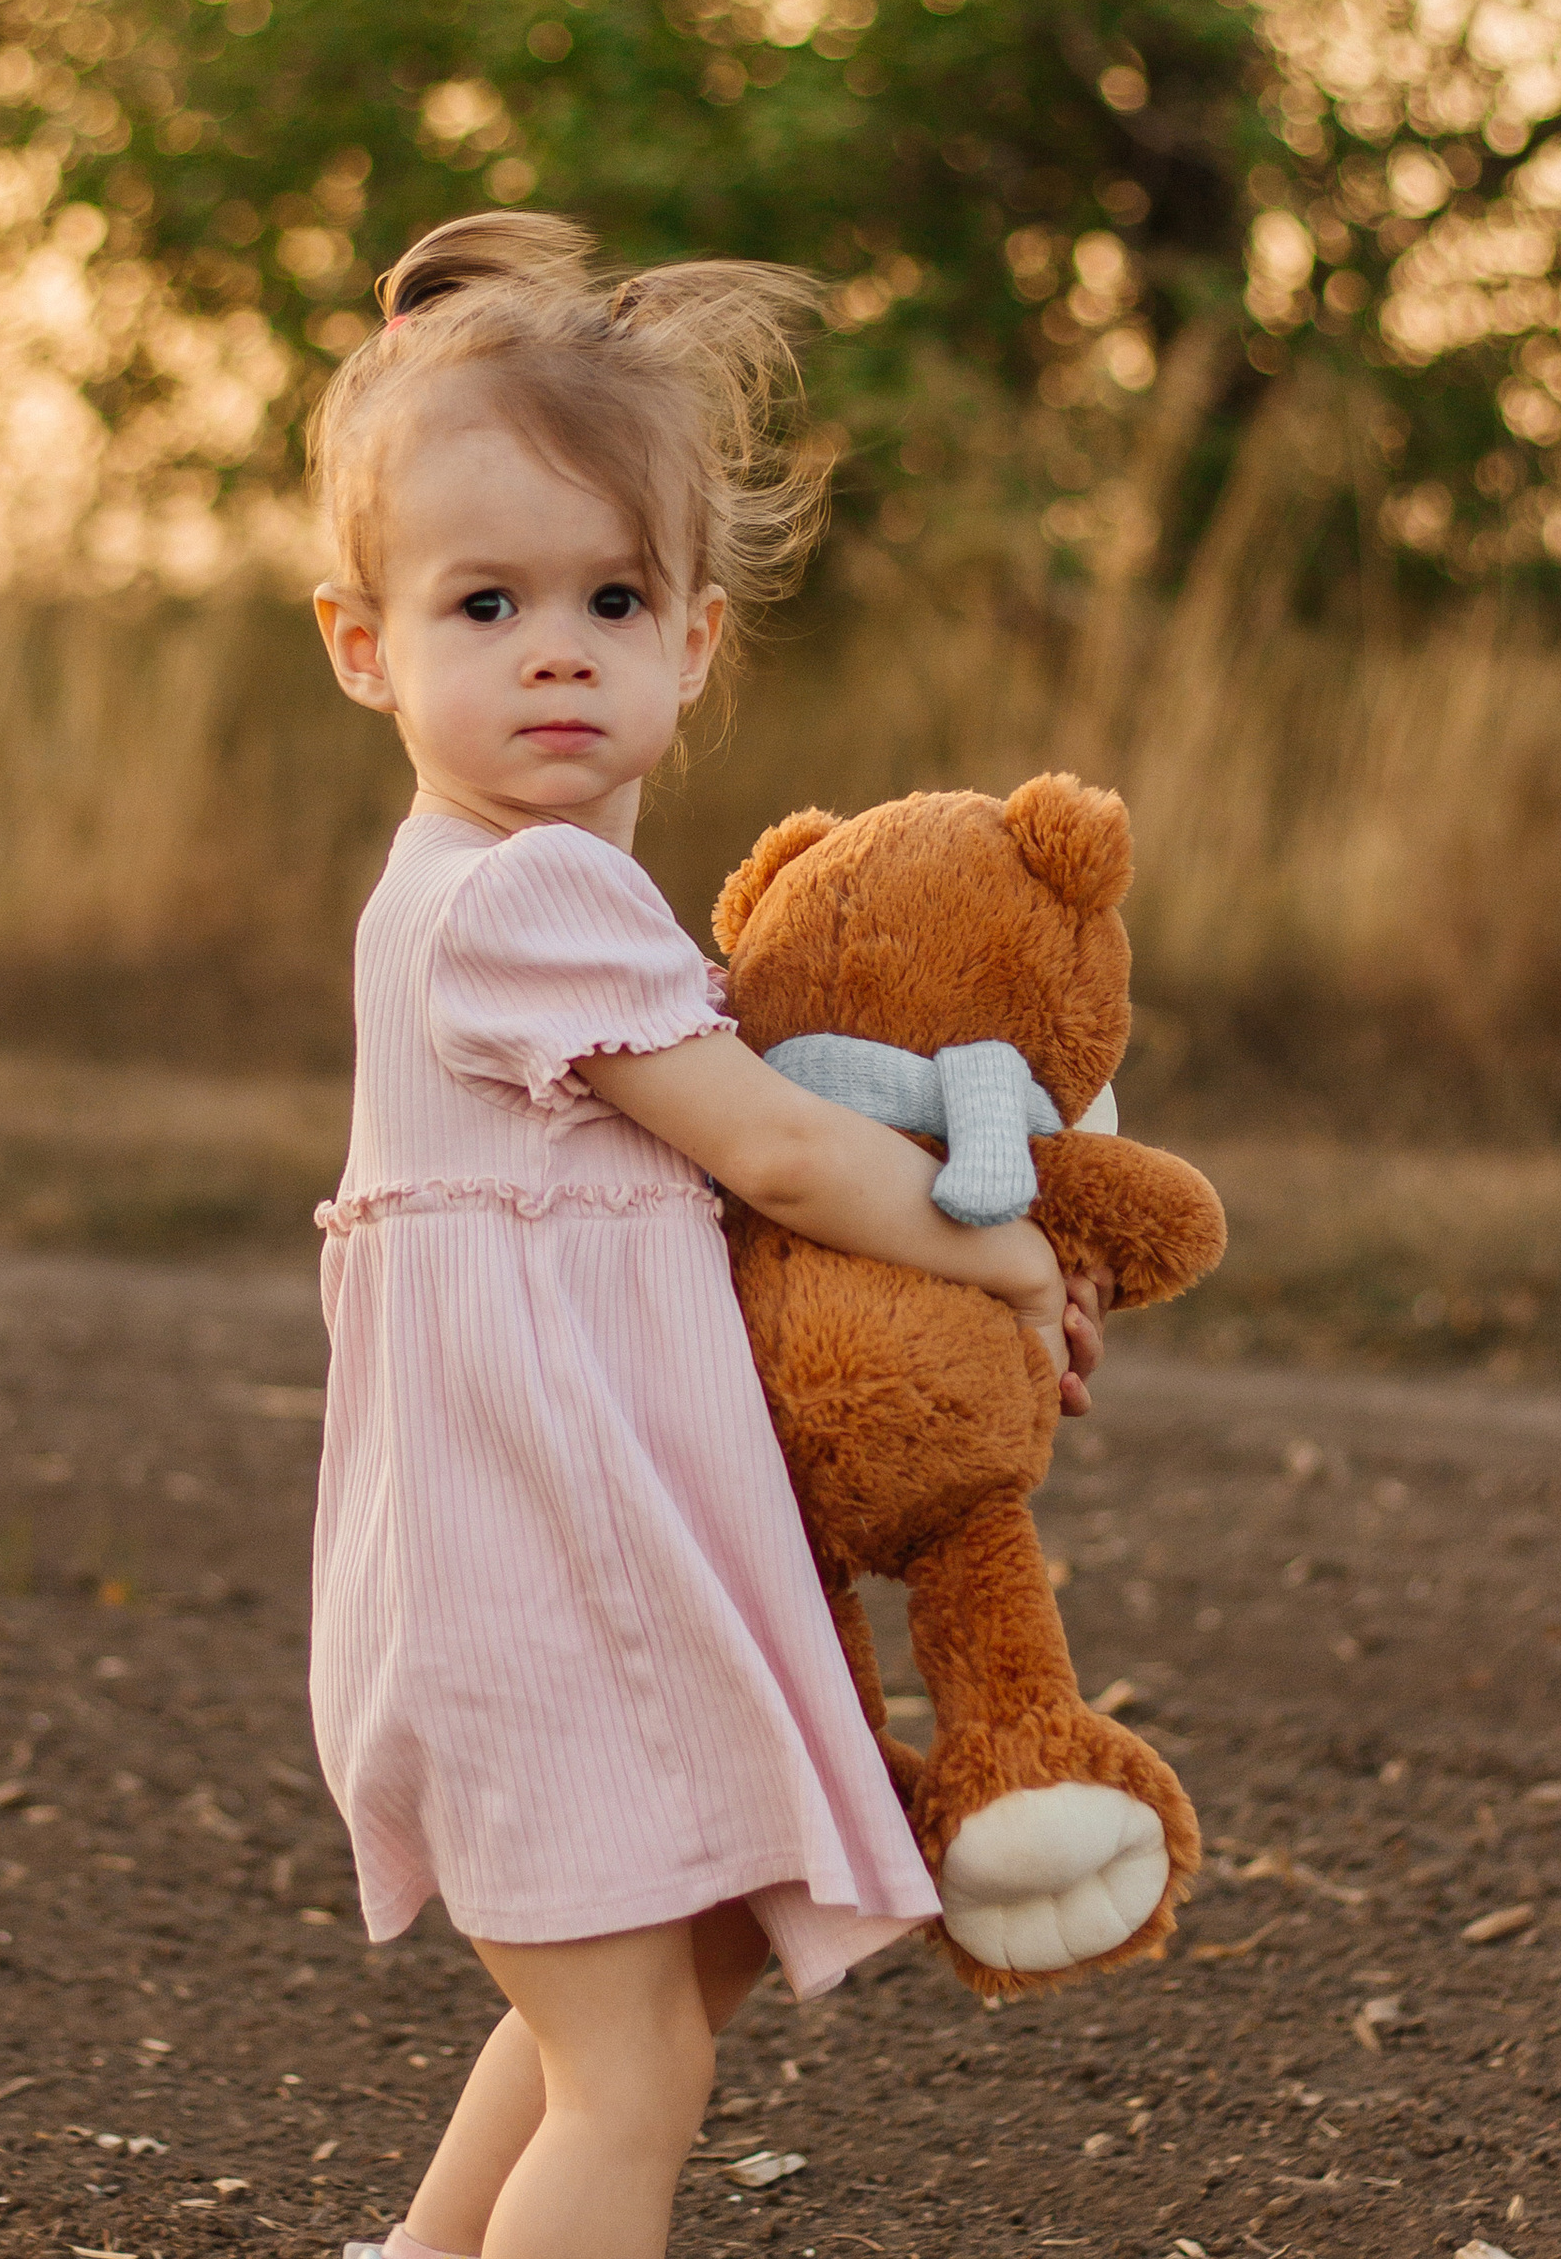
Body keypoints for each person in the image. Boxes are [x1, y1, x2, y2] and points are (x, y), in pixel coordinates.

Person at [306, 212, 1109, 2259]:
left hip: (570, 1552)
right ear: (364, 644)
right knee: (632, 2069)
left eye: (610, 595)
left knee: (667, 1981)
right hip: (543, 1573)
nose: (554, 645)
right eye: (483, 601)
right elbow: (767, 1146)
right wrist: (996, 1245)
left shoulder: (523, 888)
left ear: (692, 644)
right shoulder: (516, 902)